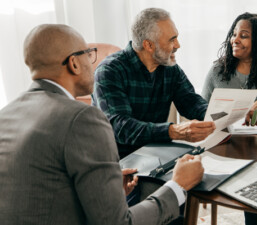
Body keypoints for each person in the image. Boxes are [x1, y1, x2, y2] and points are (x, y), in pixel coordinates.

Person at [0, 24, 204, 225]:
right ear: (74, 63)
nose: (93, 62)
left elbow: (45, 189)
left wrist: (106, 190)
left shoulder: (6, 115)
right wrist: (178, 185)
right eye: (89, 54)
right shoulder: (83, 118)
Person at [202, 13, 257, 225]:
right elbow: (201, 105)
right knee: (249, 197)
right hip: (226, 144)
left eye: (244, 35)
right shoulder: (217, 69)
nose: (235, 40)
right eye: (234, 34)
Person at [92, 8, 216, 158]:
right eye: (172, 39)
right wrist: (173, 131)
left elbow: (191, 102)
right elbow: (121, 128)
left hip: (154, 154)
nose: (178, 45)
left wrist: (220, 116)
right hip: (116, 161)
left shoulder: (171, 69)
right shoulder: (109, 71)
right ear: (149, 45)